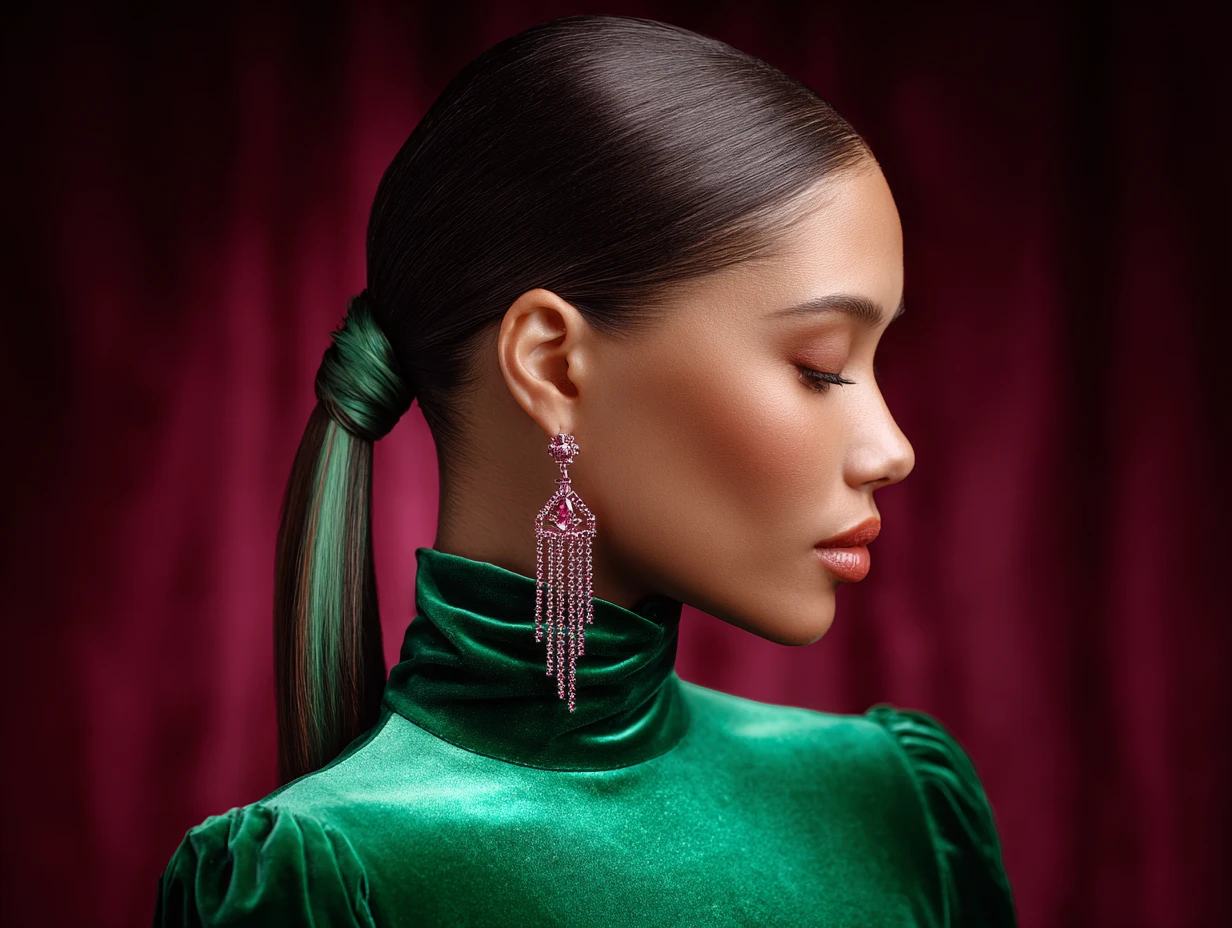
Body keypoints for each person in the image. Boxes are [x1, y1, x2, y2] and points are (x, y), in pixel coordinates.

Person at [153, 13, 1017, 927]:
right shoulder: (323, 879)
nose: (892, 449)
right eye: (820, 367)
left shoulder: (895, 806)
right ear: (554, 365)